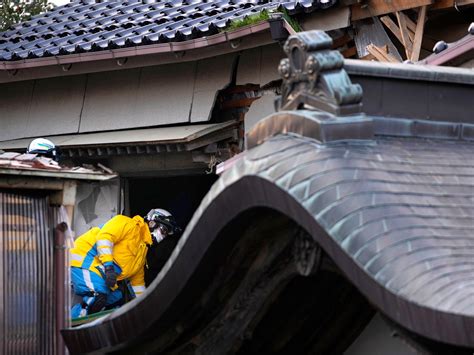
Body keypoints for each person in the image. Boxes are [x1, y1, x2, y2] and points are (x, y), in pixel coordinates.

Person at [70, 208, 180, 318]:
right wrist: (108, 267)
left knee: (116, 301)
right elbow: (104, 238)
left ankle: (95, 326)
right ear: (152, 223)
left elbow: (137, 283)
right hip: (84, 261)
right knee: (98, 296)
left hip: (98, 272)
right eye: (163, 230)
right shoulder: (127, 224)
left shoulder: (141, 252)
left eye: (166, 234)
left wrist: (145, 305)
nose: (163, 236)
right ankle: (71, 322)